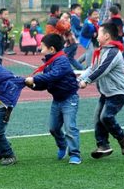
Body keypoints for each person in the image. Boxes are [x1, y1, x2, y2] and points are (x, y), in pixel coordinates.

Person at [24, 34, 82, 165]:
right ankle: (63, 145)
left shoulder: (62, 60)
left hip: (69, 98)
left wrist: (35, 78)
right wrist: (32, 85)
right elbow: (46, 83)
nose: (40, 48)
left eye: (42, 46)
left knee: (70, 127)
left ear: (51, 49)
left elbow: (53, 76)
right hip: (57, 100)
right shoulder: (49, 62)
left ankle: (75, 154)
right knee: (53, 128)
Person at [79, 22, 124, 159]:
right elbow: (92, 68)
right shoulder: (101, 51)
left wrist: (87, 81)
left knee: (106, 116)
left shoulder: (113, 52)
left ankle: (122, 136)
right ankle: (103, 145)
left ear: (107, 36)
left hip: (118, 92)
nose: (96, 36)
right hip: (106, 92)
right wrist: (79, 79)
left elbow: (102, 70)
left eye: (99, 33)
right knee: (97, 118)